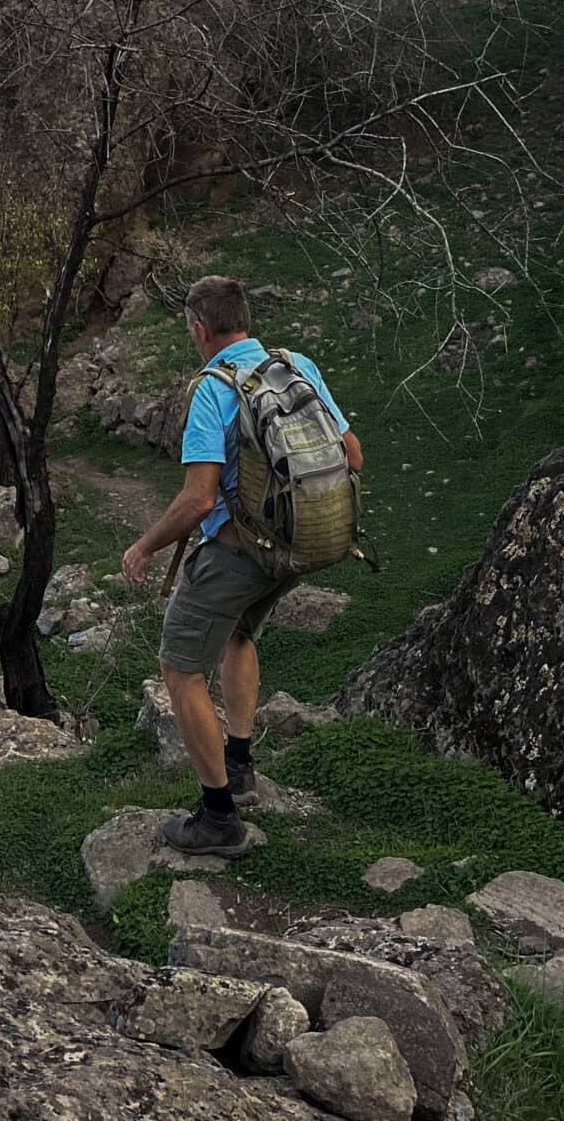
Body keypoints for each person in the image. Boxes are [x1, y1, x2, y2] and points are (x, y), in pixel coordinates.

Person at [121, 274, 359, 855]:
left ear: (200, 330)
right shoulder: (294, 364)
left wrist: (145, 546)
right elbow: (351, 453)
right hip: (297, 547)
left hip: (237, 552)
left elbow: (200, 498)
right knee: (239, 634)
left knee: (179, 670)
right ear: (245, 320)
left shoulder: (212, 388)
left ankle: (217, 817)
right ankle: (240, 762)